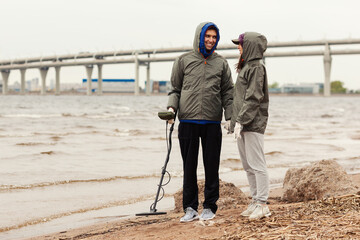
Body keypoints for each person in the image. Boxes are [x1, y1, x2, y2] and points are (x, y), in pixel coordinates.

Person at [167, 22, 233, 222]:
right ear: (200, 36)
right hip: (187, 121)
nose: (211, 40)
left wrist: (230, 116)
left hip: (212, 123)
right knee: (189, 167)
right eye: (208, 36)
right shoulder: (183, 60)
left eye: (214, 37)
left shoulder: (221, 63)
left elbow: (228, 92)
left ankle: (210, 207)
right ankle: (190, 208)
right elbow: (175, 89)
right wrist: (171, 110)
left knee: (211, 166)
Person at [228, 32, 271, 220]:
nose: (238, 47)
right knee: (247, 165)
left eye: (241, 44)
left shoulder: (256, 68)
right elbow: (240, 99)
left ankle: (262, 204)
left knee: (257, 164)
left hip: (253, 124)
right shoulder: (246, 67)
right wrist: (233, 123)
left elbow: (253, 98)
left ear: (250, 46)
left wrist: (241, 121)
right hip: (243, 124)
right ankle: (255, 200)